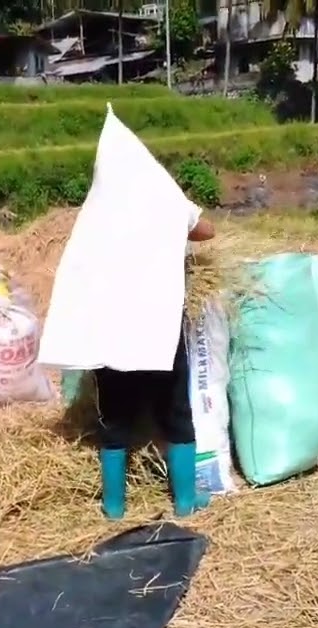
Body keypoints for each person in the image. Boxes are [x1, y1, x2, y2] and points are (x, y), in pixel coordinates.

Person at [94, 211, 216, 519]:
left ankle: (114, 507)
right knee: (175, 411)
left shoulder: (104, 202)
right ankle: (185, 502)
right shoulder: (164, 197)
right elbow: (206, 231)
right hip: (158, 321)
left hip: (113, 324)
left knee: (114, 415)